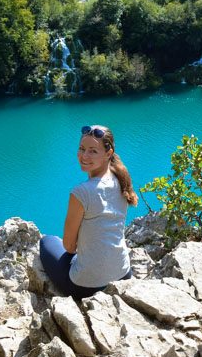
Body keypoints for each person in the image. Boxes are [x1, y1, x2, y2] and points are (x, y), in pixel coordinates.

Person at [39, 124, 138, 298]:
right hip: (123, 274)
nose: (84, 156)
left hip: (86, 286)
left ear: (108, 153)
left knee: (47, 242)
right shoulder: (120, 178)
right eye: (82, 149)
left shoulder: (81, 192)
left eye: (93, 151)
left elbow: (69, 247)